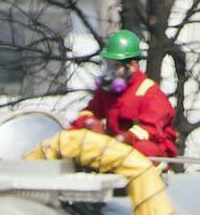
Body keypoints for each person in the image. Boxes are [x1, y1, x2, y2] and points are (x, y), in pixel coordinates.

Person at [70, 29, 178, 159]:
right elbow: (89, 112)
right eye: (108, 65)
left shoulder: (150, 93)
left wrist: (124, 139)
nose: (110, 71)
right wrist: (89, 122)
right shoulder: (107, 92)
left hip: (149, 155)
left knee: (142, 149)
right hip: (115, 150)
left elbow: (150, 129)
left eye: (116, 66)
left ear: (132, 66)